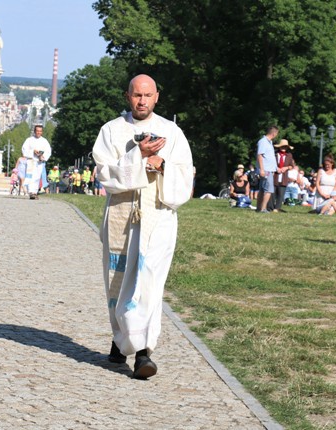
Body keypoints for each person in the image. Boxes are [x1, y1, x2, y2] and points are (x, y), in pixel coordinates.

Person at [92, 74, 193, 379]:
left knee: (149, 281)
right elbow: (104, 173)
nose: (142, 101)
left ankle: (144, 353)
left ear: (157, 97)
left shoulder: (171, 132)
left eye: (147, 96)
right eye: (137, 95)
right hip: (122, 216)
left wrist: (160, 164)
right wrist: (139, 156)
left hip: (158, 217)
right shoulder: (112, 130)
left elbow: (184, 177)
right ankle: (121, 339)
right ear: (128, 96)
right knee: (118, 280)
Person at [22, 124, 52, 199]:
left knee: (37, 177)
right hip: (31, 161)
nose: (38, 132)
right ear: (35, 131)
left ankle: (35, 192)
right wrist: (33, 151)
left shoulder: (44, 141)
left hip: (39, 162)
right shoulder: (29, 140)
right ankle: (31, 192)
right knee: (31, 176)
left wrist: (43, 157)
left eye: (40, 131)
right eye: (37, 131)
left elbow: (48, 151)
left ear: (42, 132)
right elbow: (24, 150)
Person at [256, 126, 279, 213]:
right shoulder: (263, 142)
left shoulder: (269, 143)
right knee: (268, 190)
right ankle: (263, 208)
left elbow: (270, 157)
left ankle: (259, 208)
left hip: (269, 169)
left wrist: (276, 168)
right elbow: (260, 155)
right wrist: (262, 169)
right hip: (266, 170)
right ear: (274, 133)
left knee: (262, 190)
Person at [267, 139, 294, 212]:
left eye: (285, 147)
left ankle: (277, 208)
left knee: (281, 194)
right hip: (274, 175)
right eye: (282, 147)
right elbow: (270, 163)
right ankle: (270, 207)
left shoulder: (289, 155)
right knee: (272, 193)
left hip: (284, 177)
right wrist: (276, 168)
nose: (284, 148)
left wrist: (286, 168)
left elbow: (291, 166)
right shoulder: (274, 154)